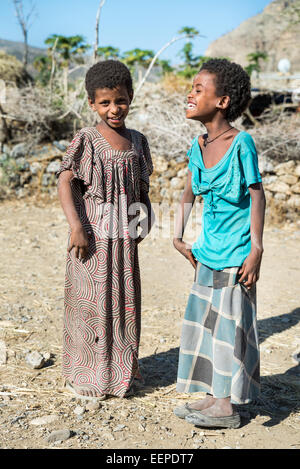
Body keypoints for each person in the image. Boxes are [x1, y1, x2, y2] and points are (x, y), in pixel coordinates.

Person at [173, 59, 266, 428]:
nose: (190, 93)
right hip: (207, 253)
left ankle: (227, 407)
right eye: (192, 88)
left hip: (235, 254)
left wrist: (256, 248)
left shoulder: (241, 143)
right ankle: (213, 396)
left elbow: (257, 196)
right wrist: (177, 237)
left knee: (229, 329)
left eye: (199, 89)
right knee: (209, 327)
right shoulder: (199, 145)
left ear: (223, 101)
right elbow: (188, 193)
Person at [56, 60, 153, 400]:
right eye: (106, 102)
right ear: (92, 104)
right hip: (92, 239)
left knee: (123, 303)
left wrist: (144, 217)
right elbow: (65, 180)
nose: (115, 109)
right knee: (91, 304)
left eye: (121, 100)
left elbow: (142, 188)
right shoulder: (87, 139)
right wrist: (76, 227)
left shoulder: (138, 141)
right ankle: (85, 375)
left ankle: (119, 374)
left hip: (124, 240)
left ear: (131, 97)